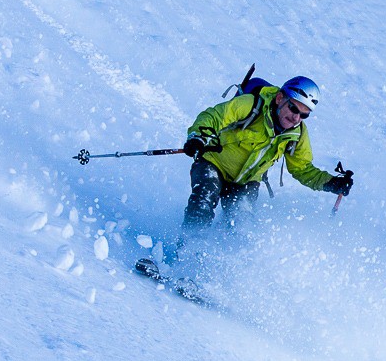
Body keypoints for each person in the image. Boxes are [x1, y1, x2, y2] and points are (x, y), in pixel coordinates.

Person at [137, 75, 352, 280]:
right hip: (213, 163)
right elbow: (214, 116)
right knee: (203, 200)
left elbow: (302, 169)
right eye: (293, 108)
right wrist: (198, 137)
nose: (296, 117)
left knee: (241, 223)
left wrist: (331, 183)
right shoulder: (250, 105)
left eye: (304, 115)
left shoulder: (297, 135)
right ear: (280, 98)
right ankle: (182, 260)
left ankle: (216, 275)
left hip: (246, 182)